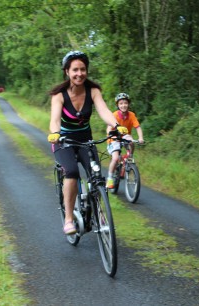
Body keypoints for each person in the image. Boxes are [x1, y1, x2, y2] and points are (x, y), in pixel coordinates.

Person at [47, 50, 127, 235]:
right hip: (63, 141)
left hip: (85, 140)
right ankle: (68, 218)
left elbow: (104, 110)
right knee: (72, 172)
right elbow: (55, 120)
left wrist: (116, 125)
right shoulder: (59, 95)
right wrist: (55, 133)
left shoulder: (93, 91)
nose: (79, 74)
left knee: (96, 176)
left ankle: (98, 212)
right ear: (67, 71)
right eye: (75, 69)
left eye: (83, 69)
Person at [106, 92, 144, 189]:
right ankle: (110, 178)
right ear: (118, 105)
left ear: (128, 104)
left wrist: (140, 138)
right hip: (114, 137)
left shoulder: (131, 115)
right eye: (121, 103)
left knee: (131, 141)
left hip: (125, 136)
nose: (124, 105)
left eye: (125, 103)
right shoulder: (114, 115)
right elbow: (109, 129)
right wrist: (111, 136)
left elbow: (138, 127)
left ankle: (130, 157)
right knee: (115, 158)